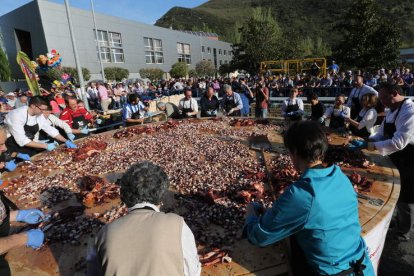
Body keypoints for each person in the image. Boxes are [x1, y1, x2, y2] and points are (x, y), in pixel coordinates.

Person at [244, 121, 374, 276]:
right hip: (364, 266)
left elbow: (259, 237)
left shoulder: (302, 194)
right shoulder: (340, 176)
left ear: (294, 152)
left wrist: (251, 214)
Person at [89, 161, 200, 275]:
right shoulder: (178, 225)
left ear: (124, 196)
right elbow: (193, 271)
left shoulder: (103, 234)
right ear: (161, 195)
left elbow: (92, 273)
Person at [366, 83, 414, 241]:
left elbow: (399, 142)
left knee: (405, 196)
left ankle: (403, 231)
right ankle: (398, 220)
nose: (383, 102)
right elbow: (380, 134)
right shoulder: (391, 110)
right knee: (395, 191)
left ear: (395, 93)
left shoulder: (409, 111)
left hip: (409, 158)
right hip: (396, 157)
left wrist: (373, 146)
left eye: (385, 98)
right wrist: (368, 141)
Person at [4, 97, 76, 156]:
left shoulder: (39, 115)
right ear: (33, 106)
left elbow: (50, 130)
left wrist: (66, 141)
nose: (43, 112)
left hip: (30, 145)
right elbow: (21, 140)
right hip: (14, 147)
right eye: (42, 109)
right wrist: (45, 146)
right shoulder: (17, 115)